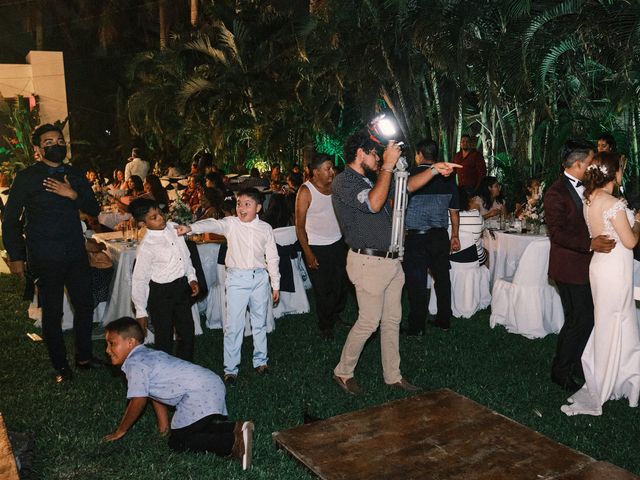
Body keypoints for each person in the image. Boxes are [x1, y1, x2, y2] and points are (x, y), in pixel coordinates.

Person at [330, 131, 459, 395]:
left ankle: (393, 375)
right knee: (368, 321)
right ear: (360, 153)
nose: (378, 158)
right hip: (367, 261)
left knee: (392, 320)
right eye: (374, 153)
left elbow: (407, 187)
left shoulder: (372, 179)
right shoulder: (344, 181)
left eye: (380, 154)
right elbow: (375, 204)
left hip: (390, 261)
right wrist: (388, 165)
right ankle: (343, 372)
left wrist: (434, 169)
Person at [2, 123, 103, 382]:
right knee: (53, 312)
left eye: (59, 140)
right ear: (38, 148)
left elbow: (94, 208)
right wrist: (15, 256)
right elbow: (10, 218)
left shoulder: (75, 174)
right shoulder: (27, 177)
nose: (55, 145)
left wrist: (73, 194)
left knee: (84, 305)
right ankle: (61, 366)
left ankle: (83, 357)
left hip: (75, 251)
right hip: (45, 255)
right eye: (48, 141)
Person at [103, 317, 254, 470]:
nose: (107, 350)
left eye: (112, 344)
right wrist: (164, 427)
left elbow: (139, 400)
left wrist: (120, 431)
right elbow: (154, 392)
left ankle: (232, 443)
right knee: (191, 429)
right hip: (209, 382)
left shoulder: (134, 364)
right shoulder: (147, 355)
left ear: (130, 342)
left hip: (198, 392)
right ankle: (237, 428)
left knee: (179, 442)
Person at [561, 152, 640, 416]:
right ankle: (617, 377)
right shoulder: (613, 204)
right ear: (614, 173)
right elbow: (630, 242)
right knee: (618, 319)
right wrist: (638, 221)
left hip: (600, 267)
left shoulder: (591, 198)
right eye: (620, 170)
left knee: (609, 320)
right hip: (615, 270)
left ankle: (614, 374)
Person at [177, 188, 280, 384]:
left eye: (247, 204)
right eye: (239, 203)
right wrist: (190, 228)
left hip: (259, 278)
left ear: (258, 208)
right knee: (234, 325)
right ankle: (230, 368)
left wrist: (275, 284)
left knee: (259, 322)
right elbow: (213, 224)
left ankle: (260, 361)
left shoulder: (265, 228)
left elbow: (272, 257)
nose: (241, 208)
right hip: (237, 279)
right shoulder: (231, 224)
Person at [545, 140, 615, 392]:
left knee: (582, 319)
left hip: (586, 267)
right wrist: (590, 244)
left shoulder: (588, 186)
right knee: (579, 320)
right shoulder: (555, 192)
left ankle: (573, 363)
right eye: (590, 162)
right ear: (577, 164)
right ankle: (560, 370)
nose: (593, 165)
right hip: (568, 268)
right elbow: (558, 234)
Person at [130, 198, 200, 361]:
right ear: (142, 223)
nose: (161, 218)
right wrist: (141, 310)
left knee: (187, 331)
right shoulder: (147, 247)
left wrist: (191, 277)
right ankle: (165, 368)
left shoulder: (174, 228)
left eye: (160, 213)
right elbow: (140, 279)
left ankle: (185, 364)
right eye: (154, 217)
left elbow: (185, 257)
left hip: (181, 288)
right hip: (161, 294)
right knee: (164, 336)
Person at [403, 139, 460, 334]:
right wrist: (455, 235)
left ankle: (417, 325)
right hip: (439, 236)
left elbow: (399, 208)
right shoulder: (448, 178)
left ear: (419, 154)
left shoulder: (410, 175)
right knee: (442, 278)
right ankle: (444, 320)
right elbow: (454, 212)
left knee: (416, 282)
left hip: (416, 237)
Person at [295, 153, 349, 340]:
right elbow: (299, 227)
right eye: (328, 169)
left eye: (332, 168)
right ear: (316, 172)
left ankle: (335, 315)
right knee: (323, 289)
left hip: (338, 243)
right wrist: (308, 253)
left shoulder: (335, 188)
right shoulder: (305, 191)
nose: (332, 172)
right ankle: (325, 325)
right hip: (317, 246)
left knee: (341, 284)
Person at [449, 187, 487, 266]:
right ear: (468, 200)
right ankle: (482, 277)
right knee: (487, 252)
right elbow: (481, 235)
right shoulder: (476, 214)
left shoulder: (444, 216)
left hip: (450, 259)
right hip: (475, 259)